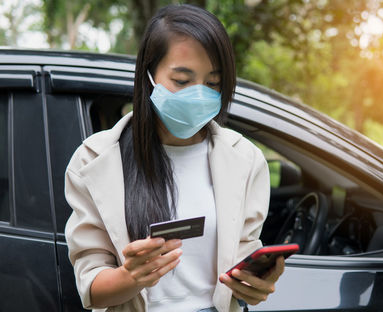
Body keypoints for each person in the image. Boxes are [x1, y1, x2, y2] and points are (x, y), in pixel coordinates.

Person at [64, 4, 284, 312]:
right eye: (182, 80)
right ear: (149, 75)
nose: (199, 94)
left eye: (213, 84)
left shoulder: (245, 159)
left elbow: (242, 269)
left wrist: (254, 286)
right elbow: (91, 290)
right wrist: (131, 277)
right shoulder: (94, 159)